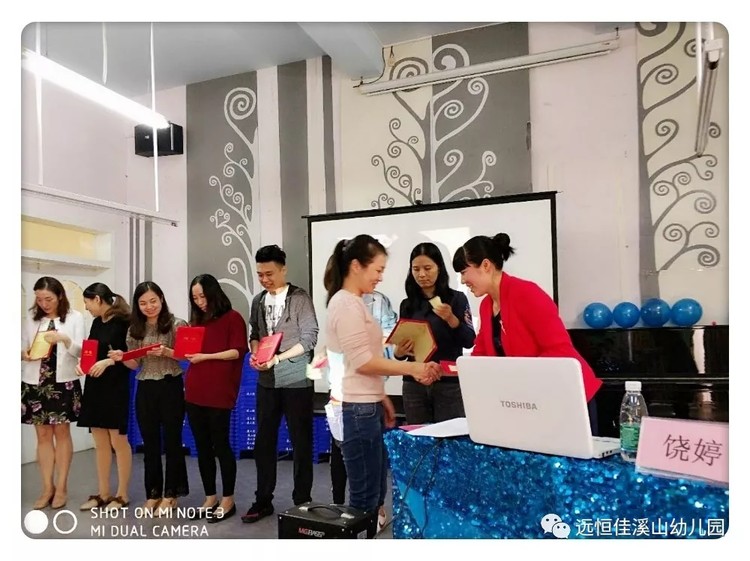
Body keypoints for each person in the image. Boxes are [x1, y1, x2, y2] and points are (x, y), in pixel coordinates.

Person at [324, 234, 441, 520]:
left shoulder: (355, 303)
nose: (380, 277)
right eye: (377, 269)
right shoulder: (346, 305)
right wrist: (414, 368)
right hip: (356, 409)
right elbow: (363, 362)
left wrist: (381, 397)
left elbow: (363, 361)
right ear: (356, 266)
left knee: (375, 493)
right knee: (365, 497)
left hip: (366, 406)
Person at [452, 233, 603, 434]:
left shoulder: (526, 293)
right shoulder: (487, 306)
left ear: (486, 265)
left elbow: (559, 350)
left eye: (464, 272)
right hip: (533, 401)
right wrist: (449, 369)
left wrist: (519, 378)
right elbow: (481, 354)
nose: (463, 280)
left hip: (567, 397)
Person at [242, 245, 319, 524]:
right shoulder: (258, 300)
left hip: (296, 379)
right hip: (267, 381)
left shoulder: (300, 298)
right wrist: (255, 354)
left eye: (270, 274)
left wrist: (277, 359)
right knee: (264, 442)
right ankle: (263, 500)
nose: (265, 279)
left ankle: (302, 501)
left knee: (301, 442)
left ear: (283, 269)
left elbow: (310, 338)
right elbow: (255, 333)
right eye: (260, 274)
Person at [108, 281, 189, 514]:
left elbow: (186, 356)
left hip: (171, 385)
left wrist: (167, 351)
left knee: (172, 441)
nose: (149, 306)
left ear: (161, 299)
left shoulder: (176, 324)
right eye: (143, 303)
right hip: (145, 387)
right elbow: (136, 364)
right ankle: (153, 494)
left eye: (153, 301)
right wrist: (121, 357)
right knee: (150, 444)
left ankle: (171, 494)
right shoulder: (135, 329)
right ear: (137, 305)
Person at [184, 273, 248, 524]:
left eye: (203, 296)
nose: (200, 302)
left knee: (221, 445)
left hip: (220, 392)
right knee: (202, 447)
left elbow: (237, 352)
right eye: (195, 298)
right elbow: (189, 352)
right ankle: (210, 497)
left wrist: (205, 357)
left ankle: (228, 499)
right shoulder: (197, 321)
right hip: (195, 391)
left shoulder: (233, 318)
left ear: (214, 293)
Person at [22, 276, 85, 510]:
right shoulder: (31, 318)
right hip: (35, 381)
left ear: (59, 296)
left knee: (62, 432)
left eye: (48, 299)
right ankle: (47, 487)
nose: (44, 304)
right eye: (39, 299)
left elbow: (82, 351)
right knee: (42, 436)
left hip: (63, 381)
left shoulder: (75, 317)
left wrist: (65, 339)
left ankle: (61, 488)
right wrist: (23, 353)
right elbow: (21, 345)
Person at [396, 242, 476, 424]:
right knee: (418, 437)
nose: (421, 275)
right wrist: (399, 352)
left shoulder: (456, 299)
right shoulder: (407, 304)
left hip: (448, 383)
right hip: (414, 383)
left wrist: (451, 319)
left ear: (439, 268)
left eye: (427, 268)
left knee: (450, 436)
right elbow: (402, 352)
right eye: (416, 269)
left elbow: (469, 340)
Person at [76, 283, 133, 512]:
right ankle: (103, 493)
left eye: (87, 302)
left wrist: (109, 361)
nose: (86, 307)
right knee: (100, 442)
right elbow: (91, 350)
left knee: (118, 441)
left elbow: (130, 356)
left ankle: (122, 494)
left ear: (98, 299)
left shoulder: (124, 322)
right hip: (95, 386)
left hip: (115, 385)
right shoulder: (97, 322)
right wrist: (83, 365)